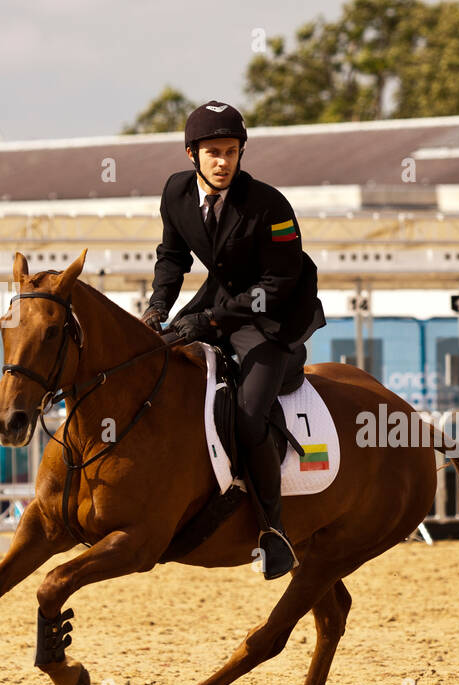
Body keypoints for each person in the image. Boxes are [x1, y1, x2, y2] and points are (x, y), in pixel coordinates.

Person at [142, 100, 325, 580]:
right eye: (213, 153)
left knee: (247, 416)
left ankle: (273, 530)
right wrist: (159, 308)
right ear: (191, 154)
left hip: (272, 317)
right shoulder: (176, 194)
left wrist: (213, 321)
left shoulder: (270, 205)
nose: (223, 161)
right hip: (217, 303)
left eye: (231, 151)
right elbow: (171, 257)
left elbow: (278, 284)